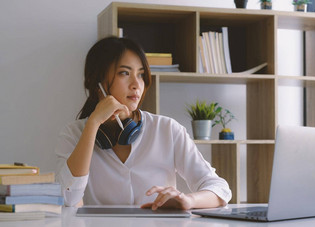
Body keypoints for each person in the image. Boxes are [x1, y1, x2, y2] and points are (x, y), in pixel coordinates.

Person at [55, 36, 232, 210]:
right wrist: (93, 124)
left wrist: (187, 200)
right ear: (97, 83)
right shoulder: (73, 134)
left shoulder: (167, 129)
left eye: (140, 74)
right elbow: (68, 198)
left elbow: (220, 189)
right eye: (124, 73)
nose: (136, 84)